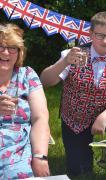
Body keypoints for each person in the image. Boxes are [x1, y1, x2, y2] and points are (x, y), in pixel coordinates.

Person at [40, 11, 106, 176]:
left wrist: (103, 117)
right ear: (91, 34)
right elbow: (45, 81)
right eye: (100, 35)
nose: (105, 41)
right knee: (80, 172)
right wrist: (65, 62)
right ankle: (84, 155)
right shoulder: (72, 55)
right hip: (75, 118)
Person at [0, 23, 50, 179]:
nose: (6, 52)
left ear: (19, 52)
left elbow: (40, 118)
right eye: (0, 46)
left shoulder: (27, 75)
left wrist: (40, 156)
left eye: (12, 47)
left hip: (18, 149)